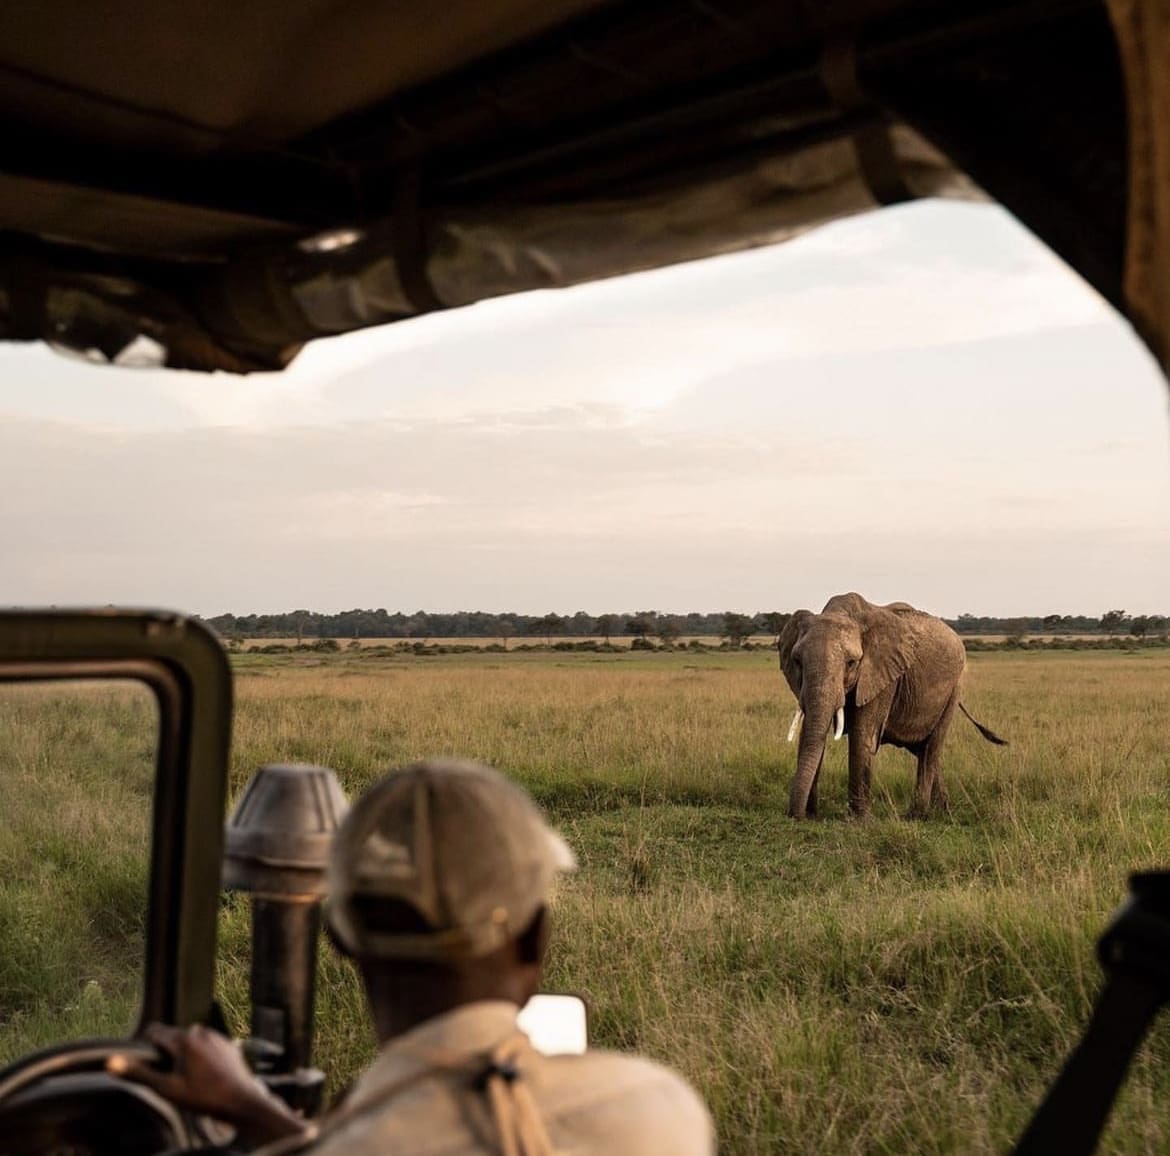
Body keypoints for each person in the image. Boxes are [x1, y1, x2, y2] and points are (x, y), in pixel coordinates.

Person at [111, 758, 715, 1155]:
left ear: (338, 941)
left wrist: (251, 1114)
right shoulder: (658, 1110)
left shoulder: (359, 1142)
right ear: (535, 940)